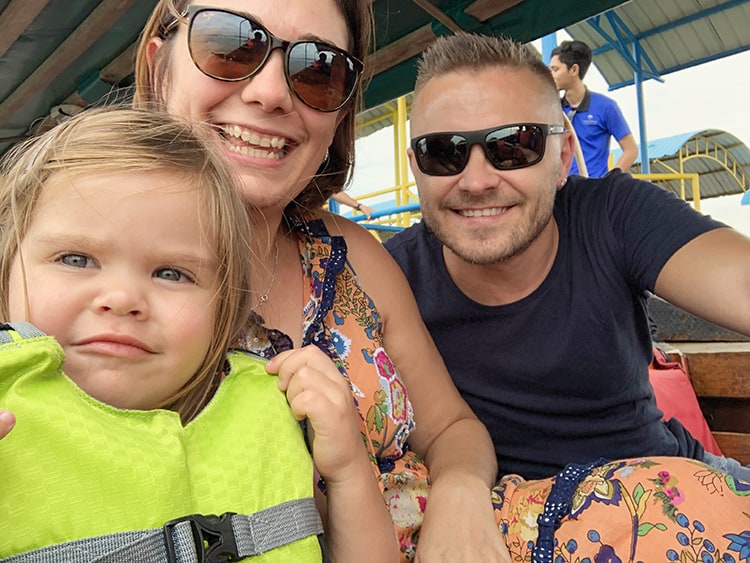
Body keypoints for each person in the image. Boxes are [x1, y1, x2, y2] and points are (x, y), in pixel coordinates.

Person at [133, 2, 502, 561]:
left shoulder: (350, 254)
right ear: (160, 71)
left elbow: (451, 427)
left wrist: (460, 495)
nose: (271, 93)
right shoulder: (73, 275)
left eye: (318, 68)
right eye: (230, 45)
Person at [385, 32, 750, 561]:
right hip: (513, 523)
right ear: (417, 168)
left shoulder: (614, 216)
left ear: (562, 158)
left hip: (668, 491)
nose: (478, 180)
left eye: (515, 145)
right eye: (444, 153)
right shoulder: (391, 278)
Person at [0, 107, 398, 561]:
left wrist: (346, 469)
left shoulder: (269, 411)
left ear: (224, 309)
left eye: (171, 273)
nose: (123, 297)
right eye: (75, 259)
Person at [549, 39, 638, 177]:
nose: (551, 75)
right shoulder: (553, 110)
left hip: (593, 190)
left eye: (555, 69)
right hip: (562, 191)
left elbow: (631, 150)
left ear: (574, 70)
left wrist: (608, 183)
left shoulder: (606, 107)